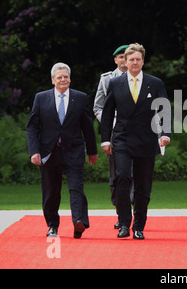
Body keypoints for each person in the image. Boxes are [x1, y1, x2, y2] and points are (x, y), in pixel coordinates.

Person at [100, 43, 171, 239]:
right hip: (122, 139)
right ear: (125, 61)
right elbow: (107, 115)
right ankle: (124, 223)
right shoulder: (115, 83)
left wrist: (165, 133)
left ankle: (138, 226)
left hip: (147, 140)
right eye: (131, 59)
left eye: (138, 59)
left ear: (142, 61)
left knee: (143, 185)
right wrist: (105, 139)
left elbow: (164, 109)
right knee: (122, 177)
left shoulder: (154, 83)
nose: (134, 62)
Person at [26, 62, 98, 238]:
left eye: (66, 76)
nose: (63, 79)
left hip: (73, 150)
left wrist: (92, 150)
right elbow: (32, 127)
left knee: (76, 187)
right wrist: (34, 151)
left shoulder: (80, 98)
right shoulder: (41, 98)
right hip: (49, 151)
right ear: (53, 80)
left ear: (70, 79)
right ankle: (52, 225)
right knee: (51, 191)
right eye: (59, 77)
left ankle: (78, 222)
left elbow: (87, 126)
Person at [93, 45, 134, 229]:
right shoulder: (106, 80)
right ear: (115, 60)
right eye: (120, 57)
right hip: (114, 133)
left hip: (135, 132)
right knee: (116, 175)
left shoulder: (139, 79)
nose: (124, 60)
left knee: (135, 173)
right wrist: (110, 121)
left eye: (127, 56)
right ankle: (120, 213)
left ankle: (133, 211)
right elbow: (98, 107)